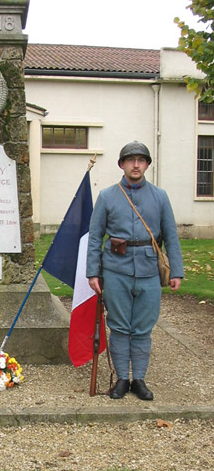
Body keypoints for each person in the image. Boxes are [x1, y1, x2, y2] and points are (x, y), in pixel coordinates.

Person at [86, 141, 183, 401]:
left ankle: (139, 379)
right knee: (119, 327)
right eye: (131, 160)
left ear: (147, 164)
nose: (136, 164)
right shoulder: (107, 196)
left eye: (141, 160)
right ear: (122, 164)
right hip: (116, 271)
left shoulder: (160, 197)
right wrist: (93, 273)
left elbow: (171, 236)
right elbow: (95, 237)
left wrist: (176, 271)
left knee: (142, 328)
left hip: (150, 271)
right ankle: (122, 379)